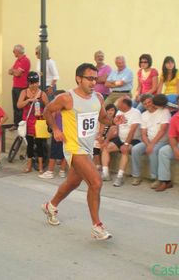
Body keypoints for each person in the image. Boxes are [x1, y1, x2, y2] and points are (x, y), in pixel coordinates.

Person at [41, 63, 118, 240]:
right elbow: (47, 111)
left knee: (72, 183)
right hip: (73, 148)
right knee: (96, 182)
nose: (93, 82)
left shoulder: (98, 97)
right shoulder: (67, 98)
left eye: (95, 79)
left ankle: (50, 206)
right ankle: (97, 226)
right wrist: (56, 129)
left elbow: (103, 118)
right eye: (89, 78)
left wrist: (115, 121)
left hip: (88, 148)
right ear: (78, 78)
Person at [131, 94, 170, 187]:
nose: (148, 105)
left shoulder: (164, 111)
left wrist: (151, 145)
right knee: (135, 149)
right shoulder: (144, 115)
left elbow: (163, 130)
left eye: (149, 102)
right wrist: (148, 144)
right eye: (145, 104)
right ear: (143, 105)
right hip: (149, 141)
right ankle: (136, 176)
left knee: (153, 151)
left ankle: (155, 177)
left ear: (153, 101)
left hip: (162, 141)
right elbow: (143, 134)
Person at [101, 97, 141, 186]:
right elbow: (116, 127)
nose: (117, 105)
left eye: (119, 103)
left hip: (133, 140)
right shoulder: (119, 112)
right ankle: (105, 173)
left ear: (124, 105)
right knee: (106, 148)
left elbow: (132, 130)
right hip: (120, 138)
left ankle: (120, 176)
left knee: (124, 150)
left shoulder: (135, 113)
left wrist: (126, 144)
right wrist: (107, 140)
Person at [17, 71, 49, 173]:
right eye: (31, 83)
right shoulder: (24, 92)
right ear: (28, 82)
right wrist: (28, 101)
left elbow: (48, 107)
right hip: (28, 122)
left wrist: (44, 115)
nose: (33, 85)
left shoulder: (42, 94)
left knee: (40, 144)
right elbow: (19, 105)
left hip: (39, 122)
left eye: (35, 82)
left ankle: (40, 166)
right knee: (29, 144)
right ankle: (29, 165)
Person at [39, 90, 67, 179]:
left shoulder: (56, 109)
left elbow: (50, 118)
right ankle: (62, 171)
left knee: (53, 153)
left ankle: (50, 171)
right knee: (65, 153)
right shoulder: (68, 108)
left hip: (58, 133)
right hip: (68, 133)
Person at [9, 44, 30, 130]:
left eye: (14, 51)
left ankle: (21, 125)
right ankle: (16, 124)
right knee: (15, 106)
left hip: (22, 87)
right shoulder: (17, 61)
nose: (13, 53)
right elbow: (10, 71)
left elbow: (17, 73)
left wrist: (15, 71)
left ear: (18, 51)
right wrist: (15, 71)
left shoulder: (25, 60)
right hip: (15, 86)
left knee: (21, 107)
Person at [93, 103, 117, 171]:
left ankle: (104, 167)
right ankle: (98, 165)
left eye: (112, 110)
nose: (110, 112)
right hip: (103, 137)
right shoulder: (103, 120)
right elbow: (101, 131)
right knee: (95, 144)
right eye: (108, 110)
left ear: (115, 111)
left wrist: (104, 139)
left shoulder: (115, 120)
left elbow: (114, 133)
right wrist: (100, 137)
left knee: (102, 146)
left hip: (111, 138)